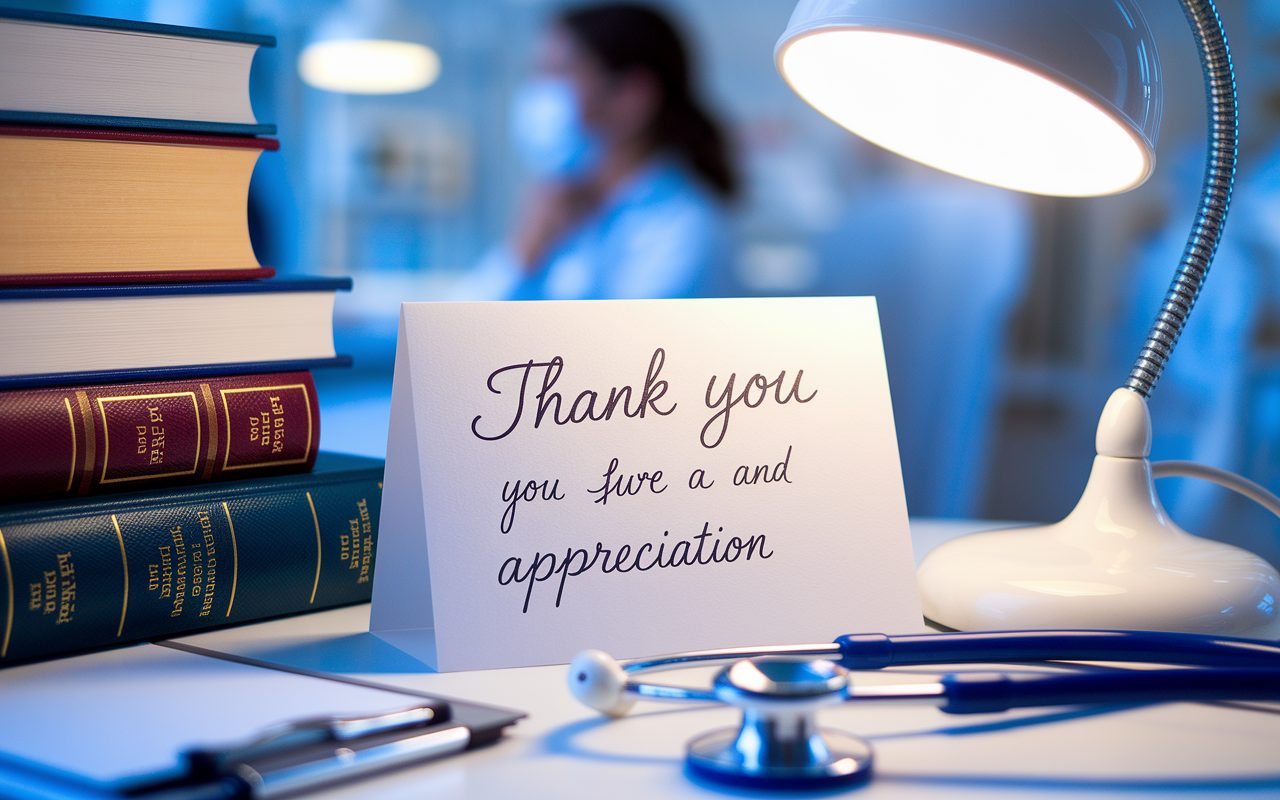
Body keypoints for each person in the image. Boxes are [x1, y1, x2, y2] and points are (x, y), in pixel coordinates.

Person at [462, 3, 737, 301]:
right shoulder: (565, 211)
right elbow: (450, 332)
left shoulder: (684, 231)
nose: (539, 93)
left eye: (558, 72)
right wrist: (522, 256)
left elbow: (622, 345)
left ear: (633, 96)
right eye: (537, 73)